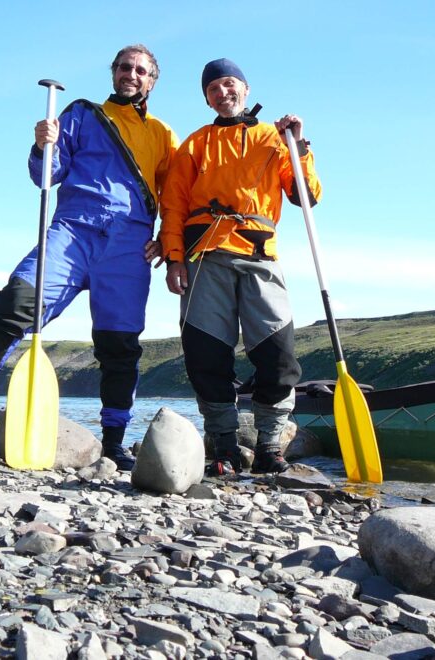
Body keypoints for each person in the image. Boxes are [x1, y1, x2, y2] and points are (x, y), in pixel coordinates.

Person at [0, 44, 178, 471]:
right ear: (113, 72)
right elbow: (46, 175)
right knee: (15, 303)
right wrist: (43, 145)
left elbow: (174, 196)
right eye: (124, 67)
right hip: (73, 231)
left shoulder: (163, 135)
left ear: (152, 81)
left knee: (120, 345)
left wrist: (167, 242)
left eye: (140, 70)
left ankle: (114, 439)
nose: (131, 74)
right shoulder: (80, 113)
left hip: (128, 245)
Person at [159, 58, 322, 476]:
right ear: (207, 99)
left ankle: (269, 446)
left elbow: (305, 196)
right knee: (206, 355)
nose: (222, 92)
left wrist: (299, 146)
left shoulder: (273, 137)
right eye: (213, 88)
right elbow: (173, 205)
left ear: (245, 89)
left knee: (278, 354)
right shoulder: (195, 144)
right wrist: (174, 258)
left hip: (259, 254)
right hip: (205, 257)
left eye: (229, 84)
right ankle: (225, 448)